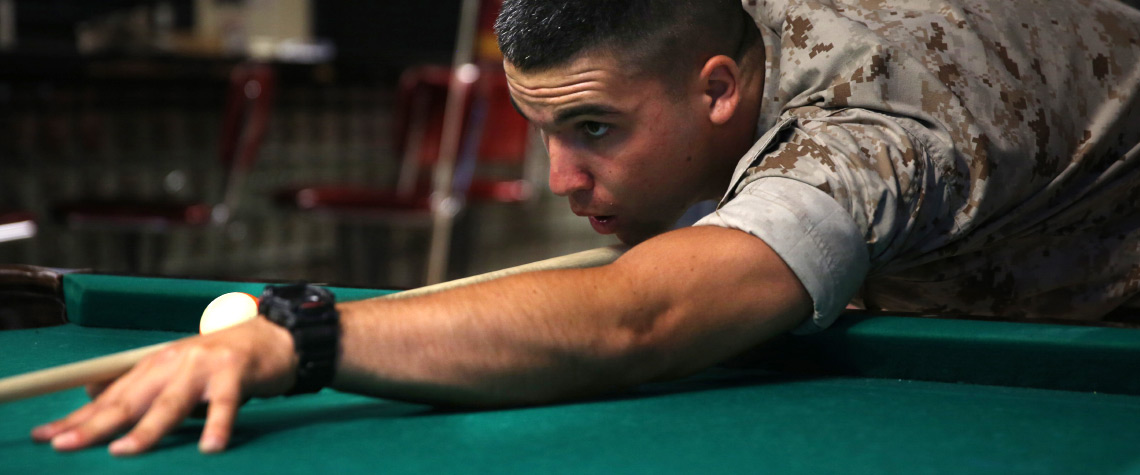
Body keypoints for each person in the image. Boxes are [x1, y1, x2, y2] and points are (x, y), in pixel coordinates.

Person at [31, 0, 1140, 456]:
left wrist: (302, 333)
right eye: (545, 131)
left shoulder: (874, 129)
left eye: (596, 128)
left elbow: (636, 317)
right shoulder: (730, 32)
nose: (562, 179)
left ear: (719, 89)